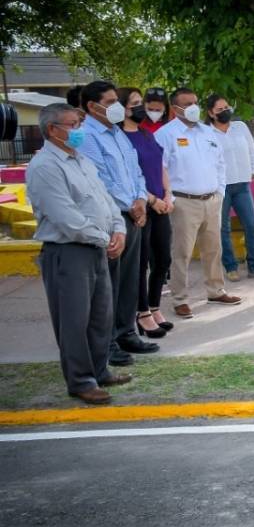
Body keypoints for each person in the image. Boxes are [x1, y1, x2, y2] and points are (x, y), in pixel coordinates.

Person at [26, 103, 131, 404]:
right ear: (52, 130)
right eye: (73, 124)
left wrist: (118, 230)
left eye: (79, 123)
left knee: (100, 316)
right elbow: (66, 218)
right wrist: (105, 239)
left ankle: (100, 371)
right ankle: (81, 381)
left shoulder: (81, 160)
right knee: (74, 320)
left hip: (96, 248)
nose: (79, 130)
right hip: (69, 252)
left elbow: (106, 201)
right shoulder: (45, 166)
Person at [77, 80, 157, 365]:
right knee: (108, 283)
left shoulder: (118, 133)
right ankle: (106, 342)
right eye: (110, 102)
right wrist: (131, 205)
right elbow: (101, 180)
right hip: (111, 216)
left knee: (130, 277)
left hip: (133, 212)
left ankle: (126, 333)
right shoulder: (87, 135)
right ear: (92, 106)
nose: (117, 107)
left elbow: (135, 171)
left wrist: (139, 200)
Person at [156, 87, 242, 318]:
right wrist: (170, 198)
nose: (193, 107)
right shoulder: (166, 134)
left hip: (212, 200)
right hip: (184, 203)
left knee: (213, 249)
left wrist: (220, 192)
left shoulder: (207, 132)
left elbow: (220, 163)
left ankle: (216, 290)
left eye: (195, 102)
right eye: (187, 104)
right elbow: (158, 169)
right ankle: (180, 299)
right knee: (181, 253)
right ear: (175, 109)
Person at [117, 87, 174, 337]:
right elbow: (129, 177)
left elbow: (160, 165)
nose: (142, 107)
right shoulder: (119, 138)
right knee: (140, 264)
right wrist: (152, 200)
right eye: (136, 103)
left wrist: (168, 194)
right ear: (122, 108)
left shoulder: (145, 134)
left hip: (161, 204)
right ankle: (141, 313)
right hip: (140, 207)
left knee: (163, 260)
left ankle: (154, 305)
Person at [207, 94, 254, 281]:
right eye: (219, 109)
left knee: (252, 226)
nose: (225, 111)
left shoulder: (240, 127)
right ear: (211, 113)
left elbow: (252, 150)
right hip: (221, 188)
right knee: (223, 229)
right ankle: (230, 267)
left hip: (243, 185)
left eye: (226, 107)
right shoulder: (206, 134)